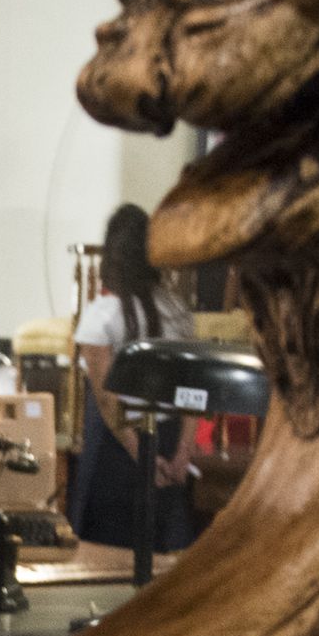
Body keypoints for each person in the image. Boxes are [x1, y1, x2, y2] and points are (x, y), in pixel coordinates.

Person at [67, 203, 199, 553]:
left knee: (108, 557)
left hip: (116, 449)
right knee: (164, 556)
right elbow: (192, 388)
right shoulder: (178, 312)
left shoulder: (101, 316)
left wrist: (141, 455)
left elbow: (107, 399)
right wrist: (184, 453)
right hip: (170, 440)